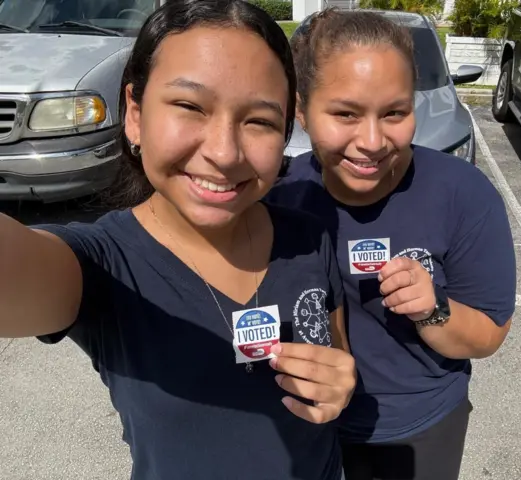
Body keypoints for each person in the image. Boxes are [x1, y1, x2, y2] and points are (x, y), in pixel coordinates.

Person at [0, 1, 356, 479]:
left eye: (260, 121)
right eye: (190, 106)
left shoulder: (308, 237)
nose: (224, 153)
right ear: (134, 113)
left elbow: (337, 352)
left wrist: (341, 385)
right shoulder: (103, 265)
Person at [266, 9, 517, 480]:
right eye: (345, 113)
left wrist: (432, 309)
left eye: (395, 113)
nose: (373, 141)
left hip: (419, 429)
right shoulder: (282, 201)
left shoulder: (464, 194)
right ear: (300, 110)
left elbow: (488, 334)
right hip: (303, 424)